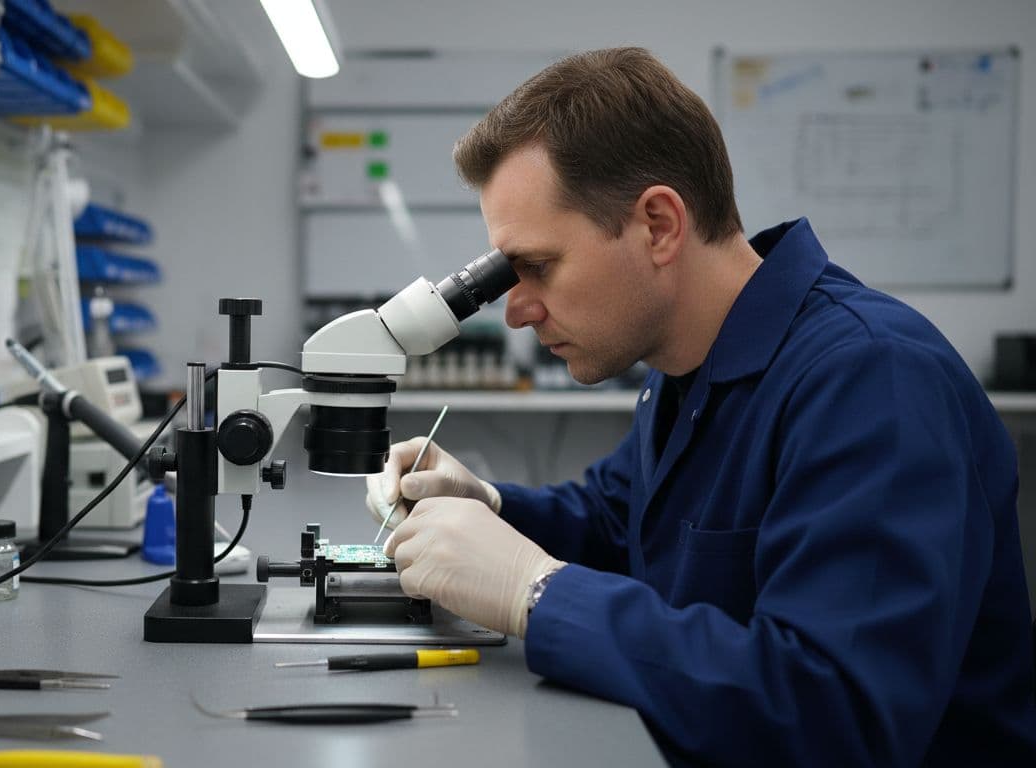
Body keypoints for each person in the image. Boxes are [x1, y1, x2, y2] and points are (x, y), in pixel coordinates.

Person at [365, 47, 1036, 766]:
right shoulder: (684, 366)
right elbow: (623, 524)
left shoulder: (874, 381)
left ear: (658, 224)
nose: (517, 311)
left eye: (537, 266)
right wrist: (486, 508)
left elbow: (833, 715)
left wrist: (534, 592)